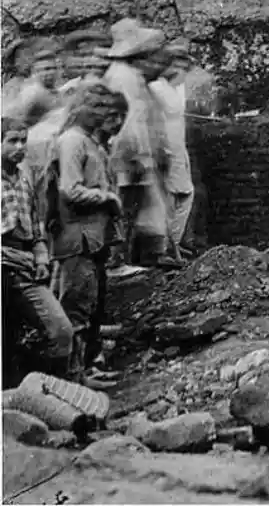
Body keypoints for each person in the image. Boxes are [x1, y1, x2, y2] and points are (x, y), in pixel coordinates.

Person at [50, 85, 128, 384]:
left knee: (92, 307)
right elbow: (70, 190)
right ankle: (74, 376)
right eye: (96, 106)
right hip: (76, 238)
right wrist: (106, 198)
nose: (104, 114)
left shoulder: (91, 142)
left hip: (93, 239)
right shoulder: (72, 141)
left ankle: (88, 368)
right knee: (76, 308)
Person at [1, 115, 73, 377]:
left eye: (24, 141)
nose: (20, 147)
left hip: (23, 266)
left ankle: (53, 391)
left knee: (60, 330)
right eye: (12, 141)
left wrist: (41, 259)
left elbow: (35, 225)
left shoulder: (24, 179)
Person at [103, 19, 177, 271]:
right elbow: (132, 124)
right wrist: (142, 159)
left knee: (145, 207)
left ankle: (149, 253)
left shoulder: (134, 78)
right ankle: (118, 261)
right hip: (129, 156)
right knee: (127, 209)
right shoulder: (125, 78)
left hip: (137, 156)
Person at [150, 40, 194, 260]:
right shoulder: (155, 87)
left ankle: (173, 241)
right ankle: (167, 246)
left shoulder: (177, 86)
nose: (179, 70)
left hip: (178, 147)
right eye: (174, 64)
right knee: (170, 198)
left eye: (182, 66)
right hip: (164, 150)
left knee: (185, 195)